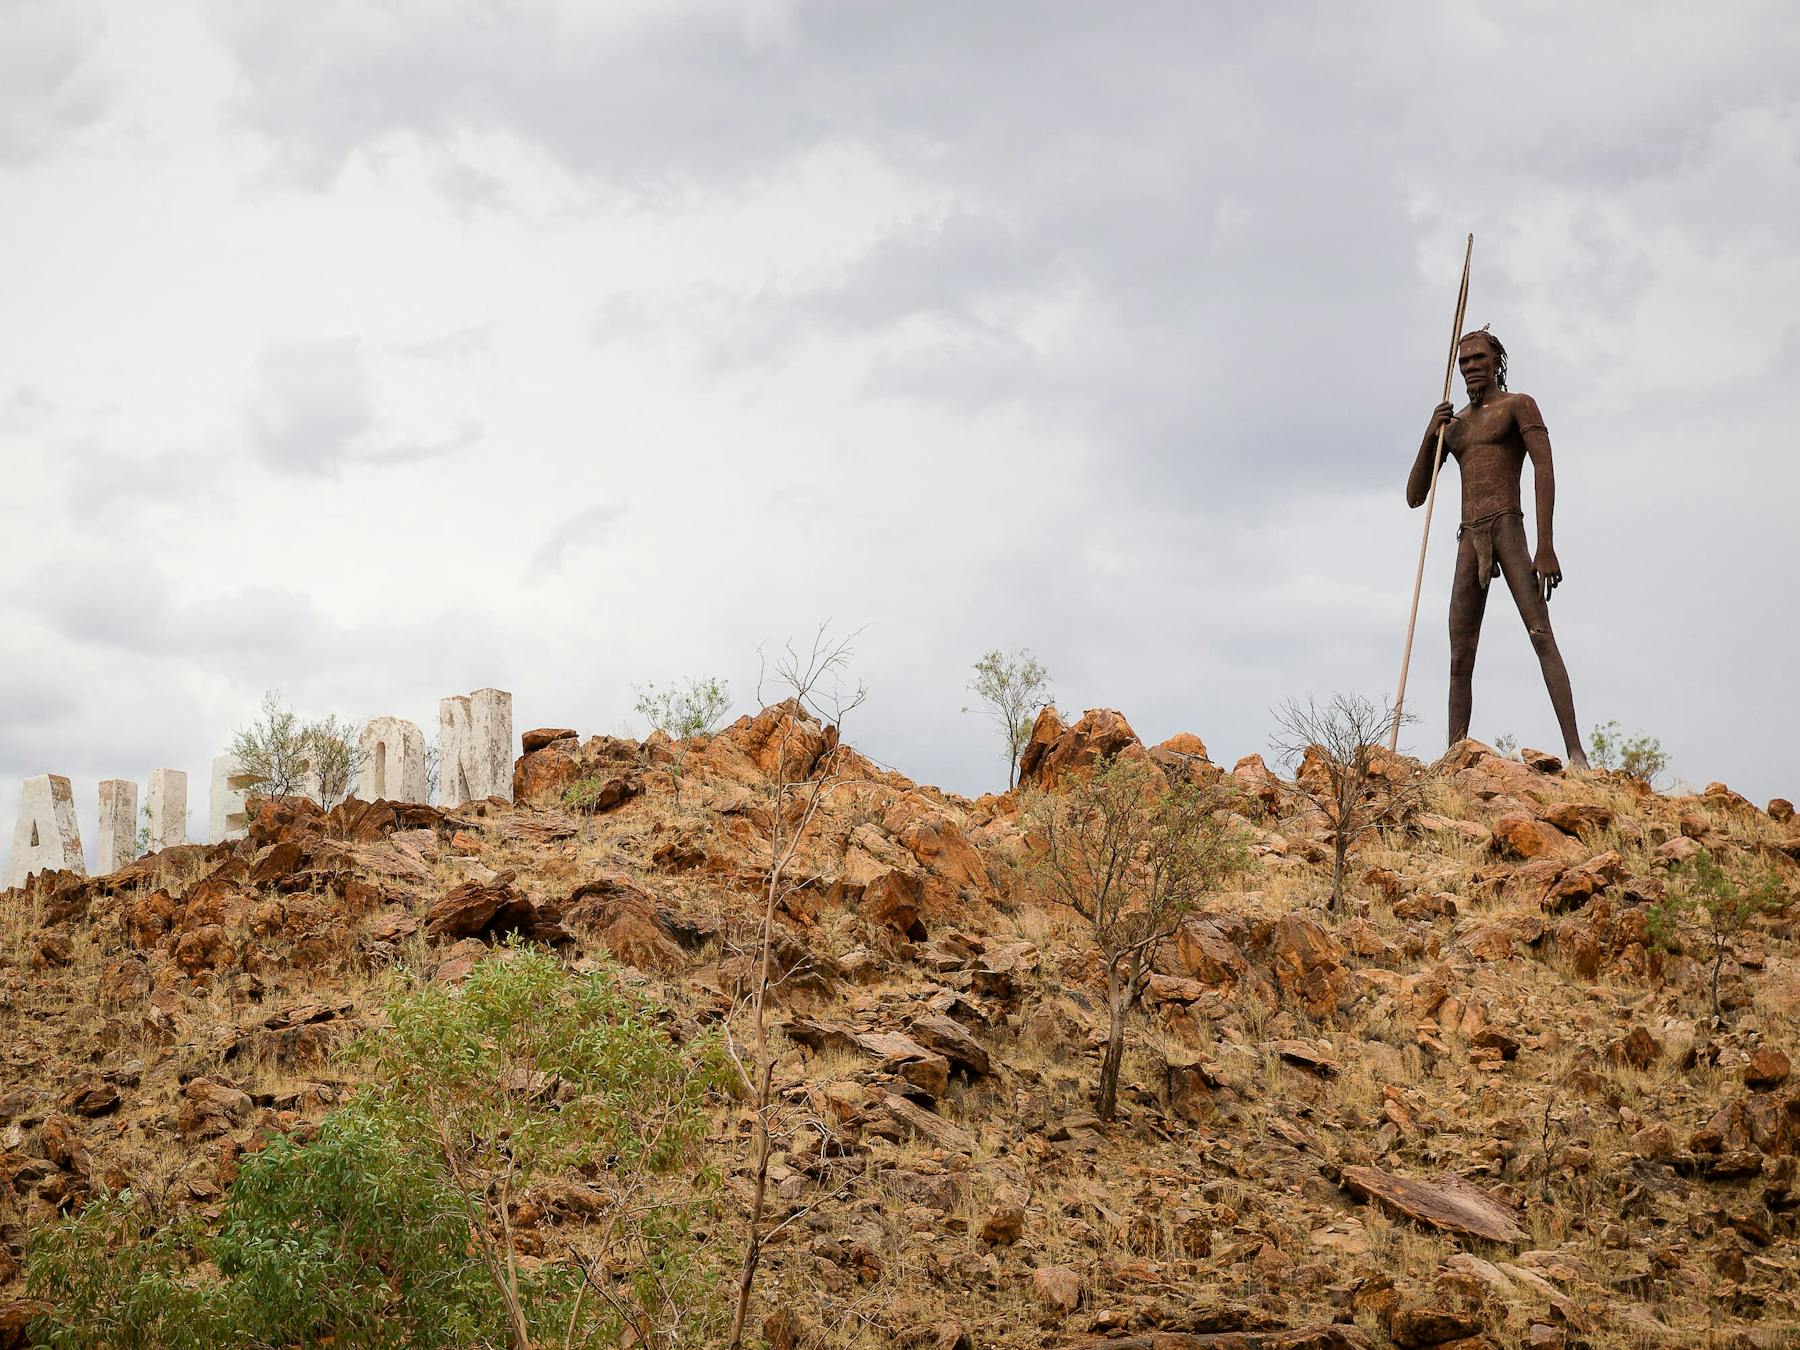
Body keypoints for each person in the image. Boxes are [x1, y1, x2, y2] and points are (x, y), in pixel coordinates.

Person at [1406, 328, 1588, 767]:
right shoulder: (1454, 426)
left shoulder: (1517, 406)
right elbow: (1414, 496)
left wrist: (1546, 546)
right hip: (1469, 536)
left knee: (1540, 634)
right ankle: (1455, 757)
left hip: (1509, 525)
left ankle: (1576, 752)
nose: (1471, 366)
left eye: (1478, 358)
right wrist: (1431, 434)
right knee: (1460, 654)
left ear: (1496, 362)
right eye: (1464, 361)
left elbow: (1544, 470)